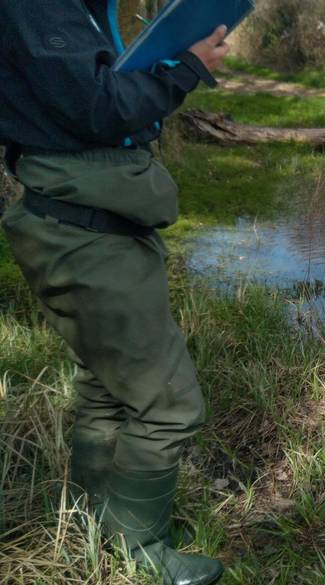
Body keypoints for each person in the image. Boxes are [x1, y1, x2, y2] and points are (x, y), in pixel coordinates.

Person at [0, 3, 230, 585]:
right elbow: (98, 107)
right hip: (83, 232)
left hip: (89, 222)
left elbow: (95, 91)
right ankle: (141, 549)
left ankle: (100, 523)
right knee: (169, 406)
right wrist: (185, 67)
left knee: (105, 389)